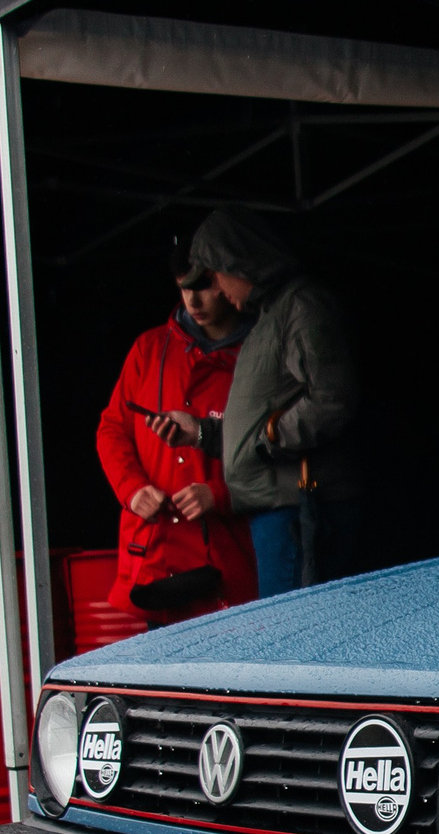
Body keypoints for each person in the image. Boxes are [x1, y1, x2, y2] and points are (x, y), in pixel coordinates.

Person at [159, 208, 362, 596]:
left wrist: (272, 438)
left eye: (214, 276)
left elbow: (333, 397)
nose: (215, 290)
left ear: (239, 263)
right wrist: (203, 432)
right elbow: (263, 420)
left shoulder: (301, 305)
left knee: (296, 642)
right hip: (282, 508)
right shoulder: (272, 315)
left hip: (300, 508)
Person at [93, 253, 259, 627]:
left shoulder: (258, 354)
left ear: (226, 280)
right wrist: (133, 489)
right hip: (158, 563)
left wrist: (218, 495)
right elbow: (112, 430)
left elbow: (278, 455)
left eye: (202, 286)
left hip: (231, 561)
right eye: (184, 288)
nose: (192, 301)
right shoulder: (148, 349)